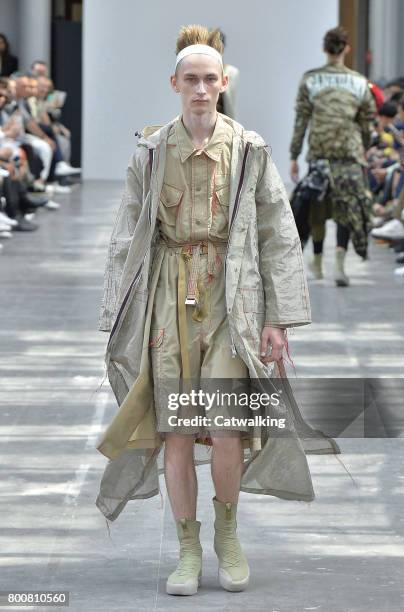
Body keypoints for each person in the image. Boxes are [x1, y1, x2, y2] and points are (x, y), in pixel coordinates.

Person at [96, 24, 339, 597]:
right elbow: (126, 232)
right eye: (192, 80)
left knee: (227, 428)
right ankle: (187, 549)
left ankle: (228, 539)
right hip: (170, 301)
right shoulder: (151, 155)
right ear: (175, 83)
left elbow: (279, 233)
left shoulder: (250, 151)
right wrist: (117, 314)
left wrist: (277, 318)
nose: (201, 90)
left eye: (211, 79)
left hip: (233, 299)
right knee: (177, 432)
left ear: (223, 82)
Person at [289, 26, 376, 286]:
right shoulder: (359, 82)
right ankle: (339, 263)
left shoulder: (310, 79)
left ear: (324, 49)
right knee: (346, 207)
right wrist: (365, 146)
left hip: (320, 153)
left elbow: (301, 120)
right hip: (348, 154)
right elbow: (367, 121)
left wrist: (294, 155)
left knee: (317, 206)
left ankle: (316, 260)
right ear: (347, 48)